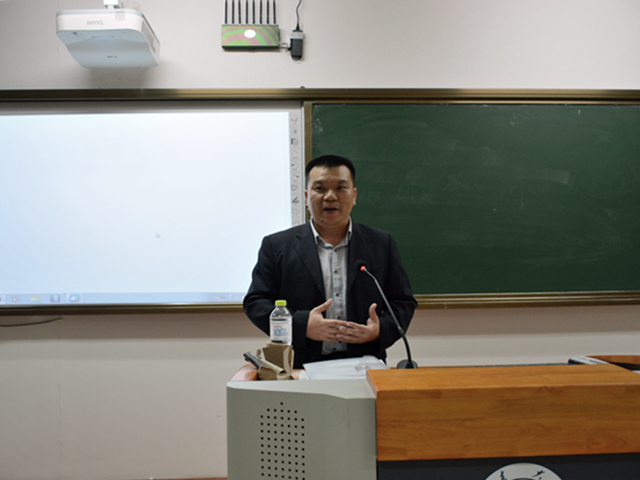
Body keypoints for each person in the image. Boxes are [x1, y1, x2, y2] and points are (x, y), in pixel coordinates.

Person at [243, 154, 417, 368]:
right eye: (320, 188)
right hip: (300, 367)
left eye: (340, 188)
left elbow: (403, 302)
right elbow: (256, 303)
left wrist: (379, 329)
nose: (330, 196)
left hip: (365, 366)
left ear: (354, 195)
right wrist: (302, 325)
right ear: (306, 196)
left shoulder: (381, 244)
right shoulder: (277, 246)